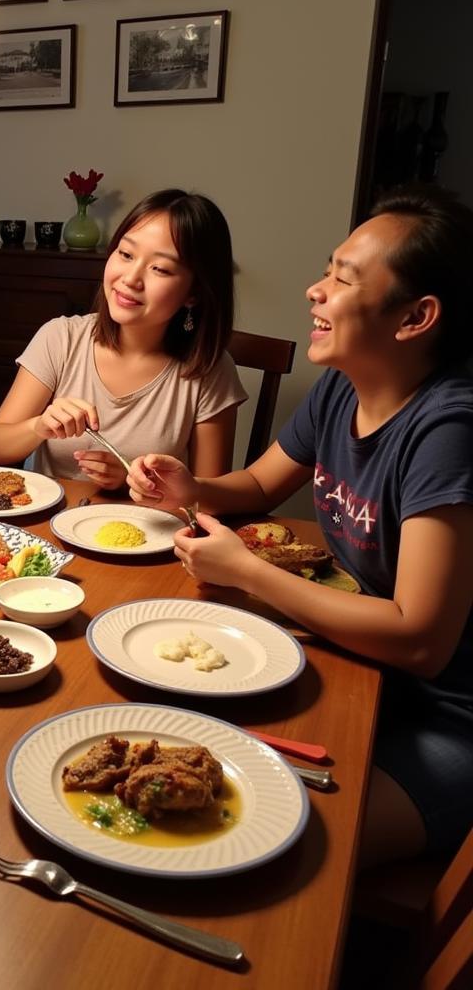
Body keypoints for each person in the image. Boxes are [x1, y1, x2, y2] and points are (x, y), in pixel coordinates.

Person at [126, 185, 473, 866]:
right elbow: (258, 484)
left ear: (415, 317)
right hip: (363, 667)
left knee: (249, 838)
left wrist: (249, 573)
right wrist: (192, 487)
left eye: (341, 279)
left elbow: (421, 639)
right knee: (166, 758)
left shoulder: (447, 431)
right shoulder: (344, 385)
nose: (315, 292)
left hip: (443, 721)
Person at [0, 189, 246, 489]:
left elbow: (207, 502)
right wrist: (39, 426)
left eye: (159, 268)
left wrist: (130, 481)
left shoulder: (210, 370)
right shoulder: (61, 338)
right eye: (126, 254)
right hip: (46, 529)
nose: (130, 278)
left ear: (194, 293)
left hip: (148, 533)